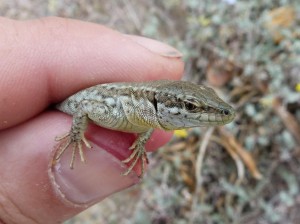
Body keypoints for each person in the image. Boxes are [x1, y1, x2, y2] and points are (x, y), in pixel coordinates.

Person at [0, 17, 183, 223]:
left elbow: (150, 123)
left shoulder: (148, 115)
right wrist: (76, 135)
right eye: (191, 107)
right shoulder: (119, 108)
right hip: (54, 106)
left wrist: (140, 143)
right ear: (163, 103)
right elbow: (86, 107)